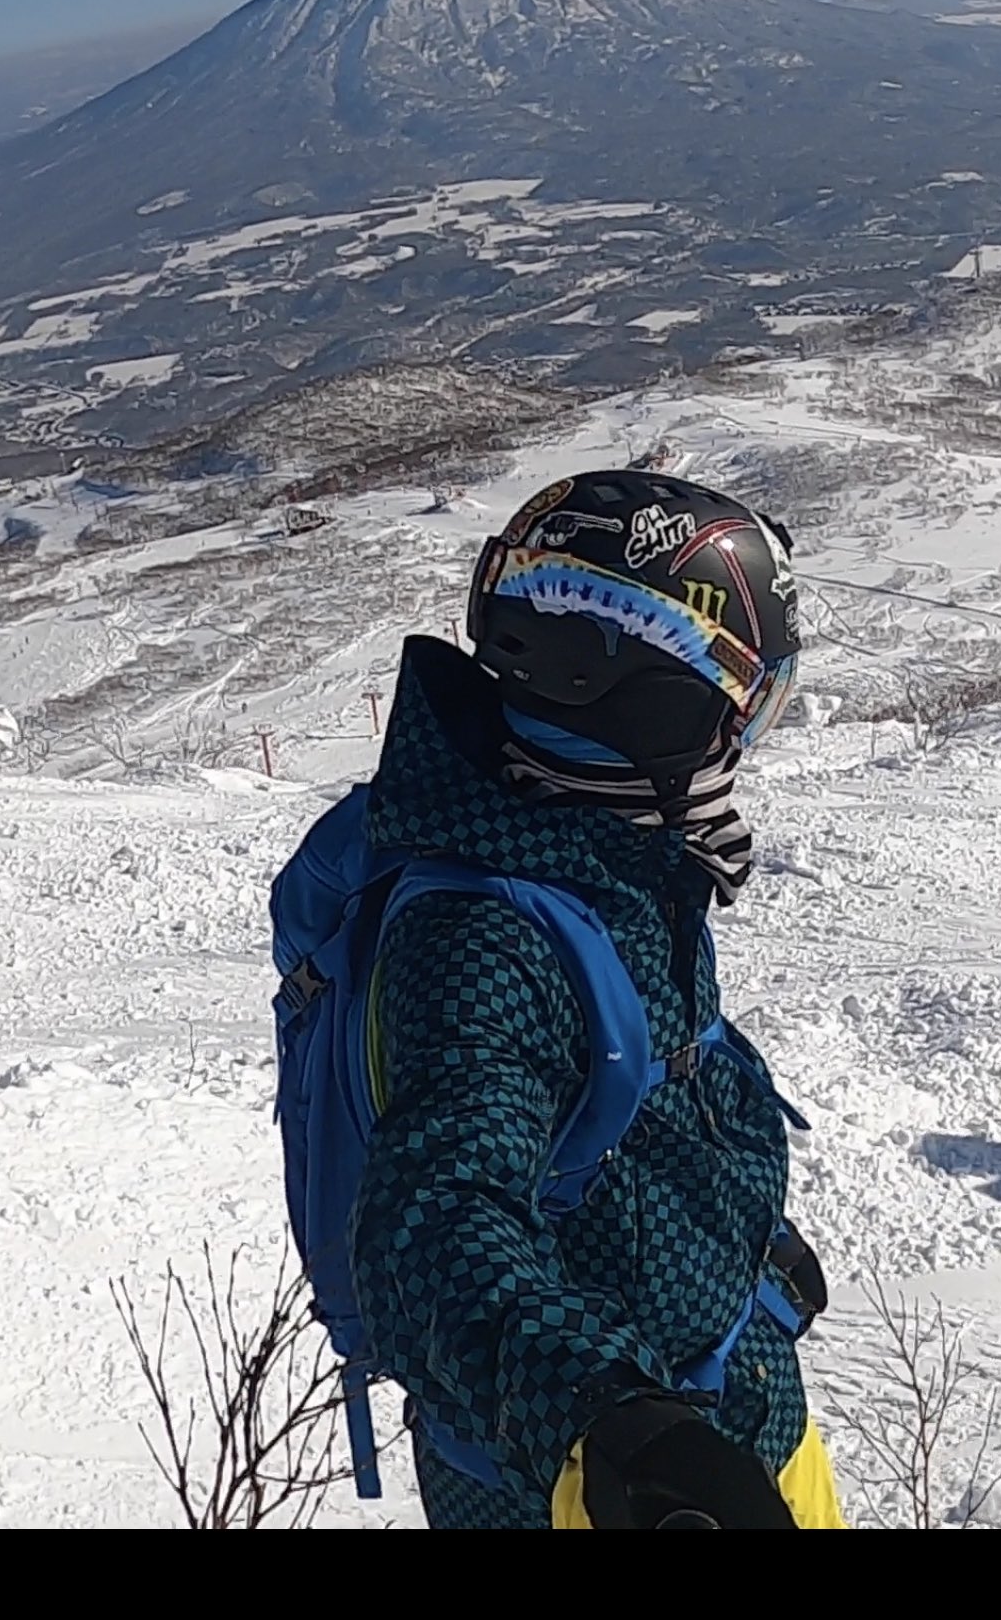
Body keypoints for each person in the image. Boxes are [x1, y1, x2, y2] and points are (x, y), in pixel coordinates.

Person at [341, 468, 843, 1527]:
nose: (741, 742)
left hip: (731, 1403)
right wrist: (612, 1423)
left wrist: (740, 1236)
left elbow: (646, 1092)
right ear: (660, 701)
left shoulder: (610, 857)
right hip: (595, 1486)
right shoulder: (485, 936)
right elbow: (432, 1227)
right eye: (744, 699)